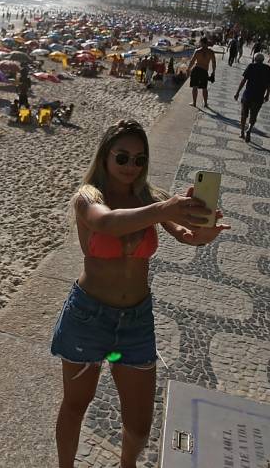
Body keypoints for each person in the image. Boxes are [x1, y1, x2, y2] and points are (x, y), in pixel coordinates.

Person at [53, 120, 227, 468]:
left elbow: (185, 234)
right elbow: (106, 222)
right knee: (75, 405)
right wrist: (165, 209)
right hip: (88, 318)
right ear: (104, 157)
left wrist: (203, 233)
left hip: (134, 323)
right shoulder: (89, 196)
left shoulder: (149, 196)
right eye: (122, 157)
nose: (131, 166)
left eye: (139, 159)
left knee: (139, 422)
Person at [233, 53, 270, 142]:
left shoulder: (251, 66)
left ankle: (242, 132)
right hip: (259, 96)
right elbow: (269, 84)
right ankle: (249, 130)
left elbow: (244, 80)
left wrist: (237, 93)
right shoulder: (267, 68)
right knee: (253, 115)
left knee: (244, 114)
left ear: (255, 59)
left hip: (248, 95)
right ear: (263, 60)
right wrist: (267, 95)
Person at [187, 37, 216, 108]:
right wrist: (213, 72)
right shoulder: (211, 52)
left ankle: (194, 103)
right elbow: (214, 63)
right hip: (204, 71)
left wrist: (188, 69)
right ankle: (205, 104)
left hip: (196, 70)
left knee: (195, 87)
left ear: (201, 43)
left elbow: (192, 61)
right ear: (207, 43)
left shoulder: (197, 51)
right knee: (204, 88)